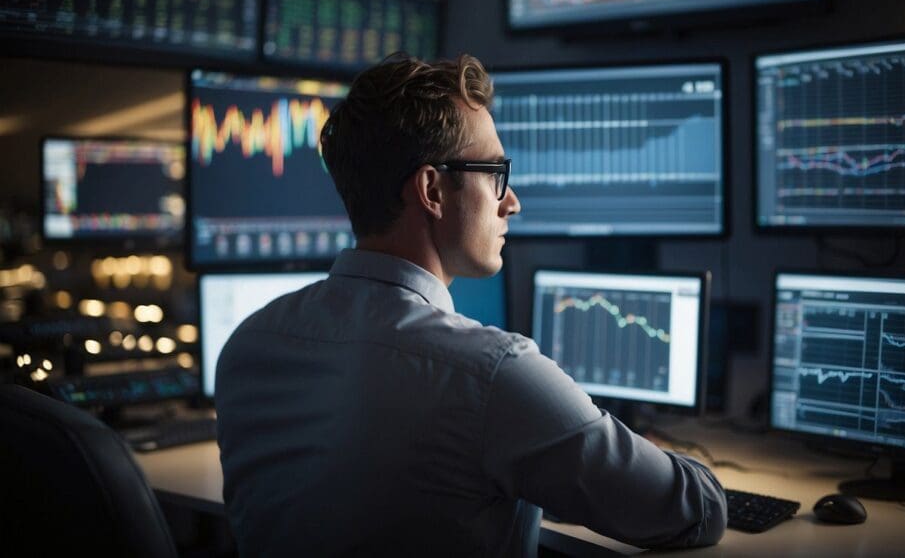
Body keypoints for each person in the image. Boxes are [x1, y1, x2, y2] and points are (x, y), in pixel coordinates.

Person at [215, 54, 728, 556]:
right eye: (495, 173)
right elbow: (694, 509)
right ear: (432, 190)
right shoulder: (491, 375)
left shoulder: (248, 346)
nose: (512, 201)